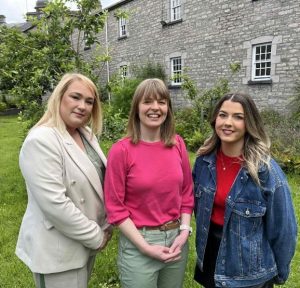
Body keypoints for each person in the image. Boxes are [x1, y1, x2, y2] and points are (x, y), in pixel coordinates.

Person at [16, 73, 112, 288]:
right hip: (57, 251)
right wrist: (96, 236)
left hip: (81, 244)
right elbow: (55, 204)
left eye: (89, 101)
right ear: (59, 97)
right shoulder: (41, 140)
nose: (83, 106)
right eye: (75, 97)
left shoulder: (85, 134)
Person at [193, 92, 297, 288]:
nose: (228, 122)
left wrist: (279, 273)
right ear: (215, 118)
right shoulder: (203, 162)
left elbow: (284, 230)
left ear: (249, 123)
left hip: (249, 268)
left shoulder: (266, 172)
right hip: (210, 255)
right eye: (223, 115)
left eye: (238, 117)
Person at [104, 78, 194, 288]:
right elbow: (115, 208)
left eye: (162, 102)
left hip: (176, 241)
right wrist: (145, 247)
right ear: (137, 108)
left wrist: (184, 230)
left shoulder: (177, 144)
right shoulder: (121, 151)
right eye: (148, 102)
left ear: (168, 108)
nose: (155, 108)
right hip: (138, 244)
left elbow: (187, 193)